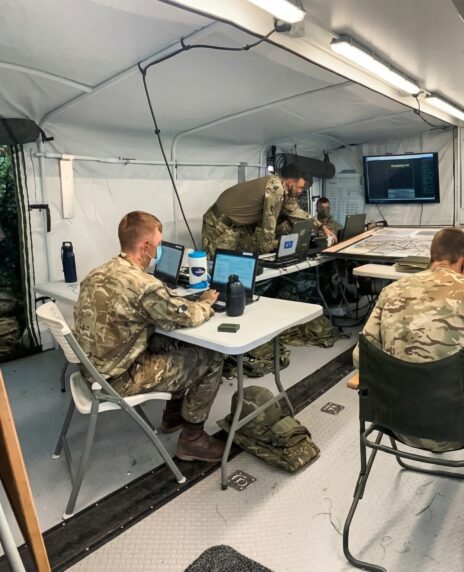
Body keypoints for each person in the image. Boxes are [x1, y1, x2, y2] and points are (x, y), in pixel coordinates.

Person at [353, 228, 464, 463]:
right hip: (456, 431)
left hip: (394, 422)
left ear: (431, 257)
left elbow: (361, 358)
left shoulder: (391, 291)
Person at [74, 212, 226, 462]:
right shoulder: (144, 285)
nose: (158, 251)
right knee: (212, 357)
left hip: (91, 370)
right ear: (145, 246)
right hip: (117, 379)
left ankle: (173, 417)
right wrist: (206, 303)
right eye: (158, 246)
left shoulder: (97, 273)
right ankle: (193, 440)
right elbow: (185, 316)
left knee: (171, 342)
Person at [201, 164, 327, 254]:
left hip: (236, 226)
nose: (300, 191)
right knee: (219, 265)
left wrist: (322, 227)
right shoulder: (276, 188)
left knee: (237, 262)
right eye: (300, 187)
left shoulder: (281, 188)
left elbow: (295, 211)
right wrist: (269, 245)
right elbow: (269, 221)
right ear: (290, 182)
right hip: (218, 224)